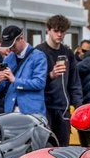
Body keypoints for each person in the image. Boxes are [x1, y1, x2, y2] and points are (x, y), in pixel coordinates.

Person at [35, 15, 82, 146]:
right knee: (45, 148)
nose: (59, 34)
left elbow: (74, 83)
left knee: (63, 148)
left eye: (63, 31)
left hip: (63, 108)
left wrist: (78, 106)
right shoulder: (39, 52)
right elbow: (33, 81)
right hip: (45, 108)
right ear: (48, 30)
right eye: (56, 31)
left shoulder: (67, 52)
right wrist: (50, 75)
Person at [1, 25, 47, 116]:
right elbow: (1, 87)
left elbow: (39, 83)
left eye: (13, 45)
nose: (10, 49)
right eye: (8, 46)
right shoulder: (8, 58)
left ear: (21, 38)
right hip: (10, 110)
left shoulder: (38, 56)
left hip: (31, 111)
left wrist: (15, 80)